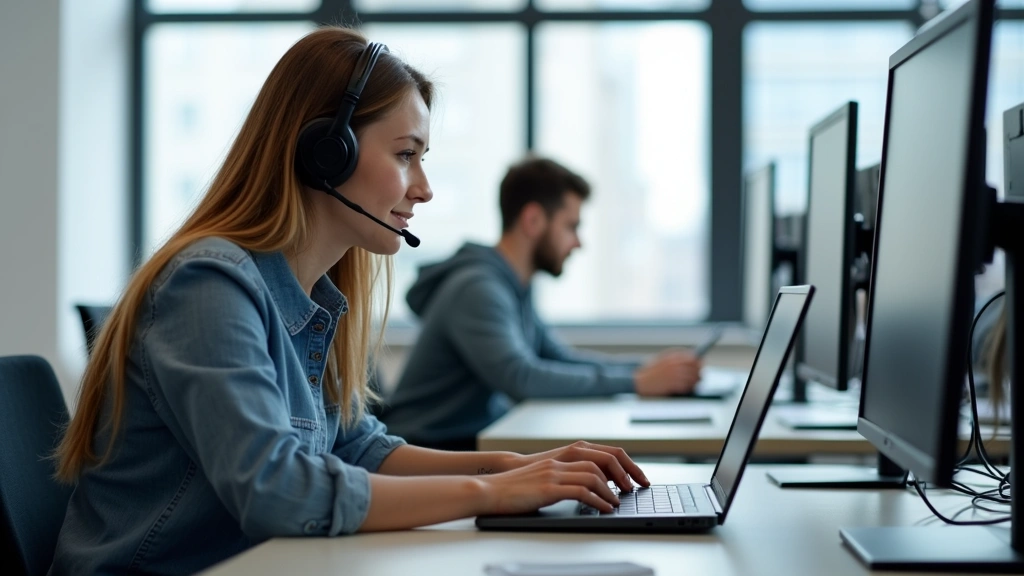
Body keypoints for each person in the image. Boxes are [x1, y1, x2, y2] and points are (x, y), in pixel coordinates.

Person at [49, 29, 649, 576]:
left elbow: (358, 447)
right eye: (406, 155)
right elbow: (277, 490)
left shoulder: (315, 295)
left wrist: (515, 467)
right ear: (325, 153)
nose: (424, 189)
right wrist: (491, 493)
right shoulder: (208, 286)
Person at [382, 157, 704, 451]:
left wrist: (648, 370)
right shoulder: (478, 288)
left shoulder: (512, 287)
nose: (578, 242)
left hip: (466, 442)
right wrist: (638, 382)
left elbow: (558, 358)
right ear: (534, 220)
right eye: (571, 226)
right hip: (427, 451)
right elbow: (522, 378)